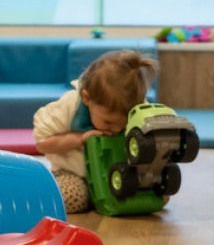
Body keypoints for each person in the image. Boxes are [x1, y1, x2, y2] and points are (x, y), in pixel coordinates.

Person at [33, 50, 157, 213]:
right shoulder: (70, 106)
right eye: (108, 122)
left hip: (118, 175)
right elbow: (43, 144)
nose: (116, 129)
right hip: (73, 174)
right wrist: (80, 139)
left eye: (124, 124)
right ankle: (40, 195)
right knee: (71, 197)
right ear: (87, 98)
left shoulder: (136, 108)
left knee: (152, 194)